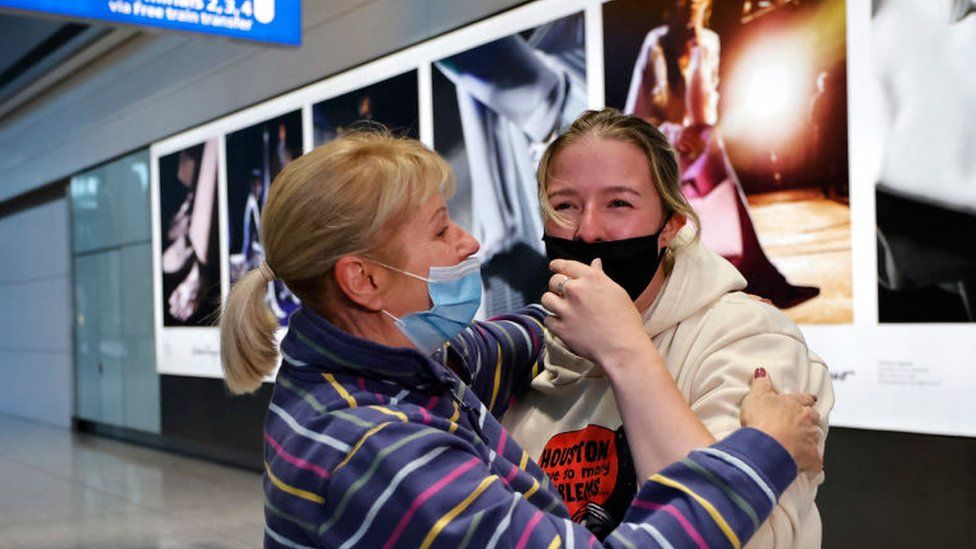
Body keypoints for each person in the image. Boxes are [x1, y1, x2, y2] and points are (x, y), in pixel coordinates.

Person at [219, 130, 822, 548]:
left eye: (618, 203)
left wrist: (601, 321)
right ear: (365, 279)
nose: (470, 243)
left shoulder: (394, 366)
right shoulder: (375, 446)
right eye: (439, 230)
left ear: (672, 225)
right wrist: (764, 446)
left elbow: (500, 345)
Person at [502, 108, 833, 547]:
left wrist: (624, 350)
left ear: (670, 226)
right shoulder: (525, 356)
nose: (588, 231)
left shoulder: (750, 339)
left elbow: (745, 539)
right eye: (565, 205)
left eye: (619, 203)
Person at [624, 0, 818, 308]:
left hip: (706, 148)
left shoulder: (709, 42)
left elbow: (705, 107)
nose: (690, 11)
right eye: (684, 5)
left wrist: (699, 54)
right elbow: (637, 113)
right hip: (666, 151)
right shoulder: (656, 42)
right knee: (682, 236)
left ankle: (759, 291)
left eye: (696, 6)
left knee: (735, 228)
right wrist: (675, 134)